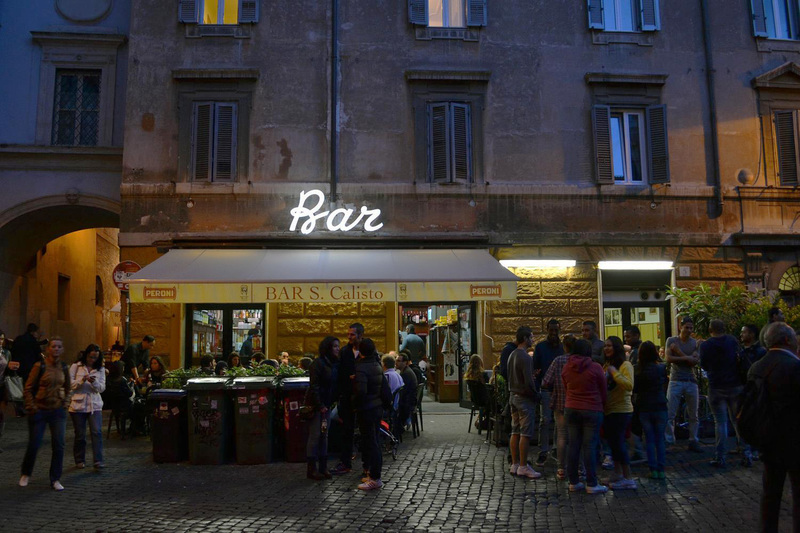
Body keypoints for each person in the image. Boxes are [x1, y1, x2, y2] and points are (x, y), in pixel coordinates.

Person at [750, 322, 800, 533]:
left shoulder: (757, 367)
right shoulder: (794, 366)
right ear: (788, 340)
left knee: (770, 495)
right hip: (795, 440)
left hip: (768, 440)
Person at [20, 337, 71, 491]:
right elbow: (28, 387)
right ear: (48, 349)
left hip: (57, 410)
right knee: (35, 443)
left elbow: (68, 387)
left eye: (59, 347)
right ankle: (26, 473)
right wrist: (32, 406)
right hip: (40, 409)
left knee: (59, 445)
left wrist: (65, 403)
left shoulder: (64, 367)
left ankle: (55, 478)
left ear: (62, 350)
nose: (56, 349)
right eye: (53, 346)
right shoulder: (40, 366)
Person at [700, 319, 751, 468]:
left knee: (720, 422)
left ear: (710, 330)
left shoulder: (706, 345)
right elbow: (740, 358)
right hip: (735, 384)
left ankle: (720, 456)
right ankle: (746, 453)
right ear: (724, 328)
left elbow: (703, 364)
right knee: (737, 421)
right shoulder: (732, 340)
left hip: (716, 386)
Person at [563, 338, 608, 494]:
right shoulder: (596, 368)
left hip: (571, 408)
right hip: (592, 409)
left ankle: (573, 481)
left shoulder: (567, 367)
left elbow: (565, 385)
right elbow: (603, 389)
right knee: (589, 446)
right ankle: (591, 482)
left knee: (573, 445)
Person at [507, 326, 542, 480]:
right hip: (524, 398)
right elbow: (528, 383)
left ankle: (514, 464)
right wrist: (536, 395)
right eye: (531, 337)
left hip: (513, 396)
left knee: (515, 431)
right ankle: (523, 466)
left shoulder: (512, 354)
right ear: (525, 338)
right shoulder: (526, 357)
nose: (533, 340)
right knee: (525, 433)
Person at [602, 336, 637, 489]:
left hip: (621, 410)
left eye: (609, 346)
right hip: (609, 410)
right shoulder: (607, 365)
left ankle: (628, 477)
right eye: (605, 346)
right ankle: (617, 473)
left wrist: (614, 373)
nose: (606, 348)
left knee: (619, 444)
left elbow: (629, 385)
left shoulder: (626, 365)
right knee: (613, 444)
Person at [664, 317, 702, 452]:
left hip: (691, 381)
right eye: (687, 327)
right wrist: (687, 357)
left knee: (693, 413)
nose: (689, 331)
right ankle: (669, 440)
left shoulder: (695, 343)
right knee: (670, 413)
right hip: (676, 380)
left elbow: (694, 362)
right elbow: (668, 358)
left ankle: (693, 440)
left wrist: (679, 353)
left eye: (691, 328)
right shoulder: (671, 340)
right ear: (681, 327)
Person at [331, 322, 363, 475]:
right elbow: (338, 373)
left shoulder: (367, 351)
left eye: (352, 335)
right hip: (347, 397)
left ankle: (367, 466)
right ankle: (345, 462)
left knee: (366, 431)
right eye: (348, 334)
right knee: (346, 431)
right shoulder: (344, 352)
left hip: (363, 397)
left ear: (360, 336)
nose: (349, 337)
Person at [541, 334, 575, 480]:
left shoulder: (558, 360)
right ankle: (578, 468)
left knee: (561, 436)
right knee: (575, 437)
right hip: (576, 404)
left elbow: (545, 381)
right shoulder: (579, 361)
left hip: (560, 404)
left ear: (564, 346)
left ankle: (561, 468)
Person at [306, 336, 339, 481]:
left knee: (324, 436)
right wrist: (320, 405)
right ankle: (312, 469)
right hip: (318, 406)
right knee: (315, 436)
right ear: (328, 348)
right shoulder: (318, 364)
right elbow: (315, 387)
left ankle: (323, 467)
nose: (338, 349)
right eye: (335, 346)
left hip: (327, 404)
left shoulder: (333, 364)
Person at [634, 341, 668, 479]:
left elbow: (635, 389)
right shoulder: (661, 368)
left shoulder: (637, 369)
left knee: (649, 439)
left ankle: (652, 469)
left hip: (644, 406)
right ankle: (661, 469)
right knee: (660, 439)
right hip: (659, 404)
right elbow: (664, 383)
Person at [68, 344, 106, 469]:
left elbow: (101, 388)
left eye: (95, 357)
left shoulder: (100, 369)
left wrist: (93, 382)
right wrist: (82, 380)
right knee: (80, 434)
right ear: (86, 355)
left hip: (94, 405)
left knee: (96, 432)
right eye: (91, 357)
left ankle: (98, 460)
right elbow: (70, 384)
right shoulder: (76, 366)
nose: (92, 360)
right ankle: (79, 459)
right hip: (78, 404)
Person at [354, 338, 384, 490]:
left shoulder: (362, 367)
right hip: (377, 407)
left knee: (371, 442)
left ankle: (375, 477)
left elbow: (361, 392)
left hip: (367, 408)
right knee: (374, 441)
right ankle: (373, 474)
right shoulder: (376, 364)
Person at [533, 319, 563, 467]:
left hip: (560, 389)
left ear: (559, 330)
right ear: (547, 330)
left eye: (555, 331)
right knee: (545, 420)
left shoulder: (563, 348)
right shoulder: (540, 347)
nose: (553, 333)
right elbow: (536, 369)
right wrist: (538, 386)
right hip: (546, 389)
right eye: (551, 330)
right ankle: (543, 451)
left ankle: (556, 449)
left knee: (558, 421)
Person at [10, 323, 43, 416]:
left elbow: (13, 351)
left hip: (18, 367)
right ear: (33, 332)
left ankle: (19, 408)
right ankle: (29, 406)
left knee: (19, 388)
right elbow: (38, 355)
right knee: (30, 388)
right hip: (30, 368)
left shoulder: (18, 339)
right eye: (37, 332)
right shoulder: (33, 341)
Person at [395, 351, 418, 440]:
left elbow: (403, 392)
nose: (396, 363)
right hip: (409, 400)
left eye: (399, 361)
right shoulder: (405, 371)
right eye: (396, 361)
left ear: (405, 362)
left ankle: (398, 428)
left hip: (408, 402)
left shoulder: (406, 373)